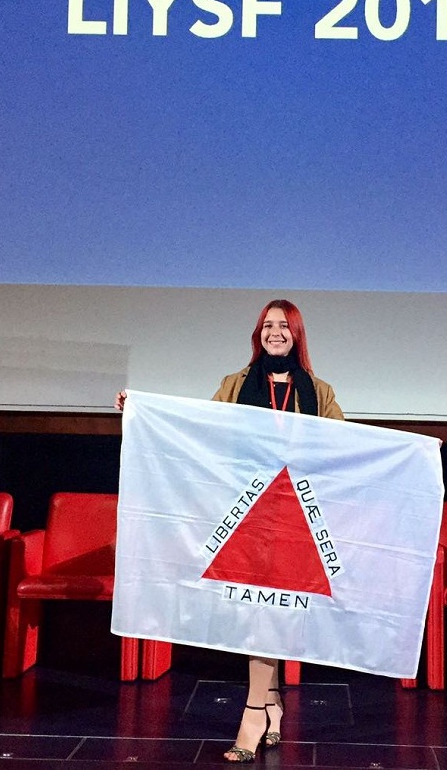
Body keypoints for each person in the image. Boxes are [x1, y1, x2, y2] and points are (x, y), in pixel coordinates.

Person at [115, 298, 343, 762]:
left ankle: (254, 713)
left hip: (293, 516)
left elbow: (342, 446)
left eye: (284, 326)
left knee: (272, 612)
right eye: (267, 325)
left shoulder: (318, 391)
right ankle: (272, 706)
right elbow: (202, 432)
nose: (274, 332)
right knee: (259, 613)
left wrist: (409, 453)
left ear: (297, 334)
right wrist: (142, 411)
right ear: (258, 333)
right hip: (245, 514)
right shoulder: (235, 384)